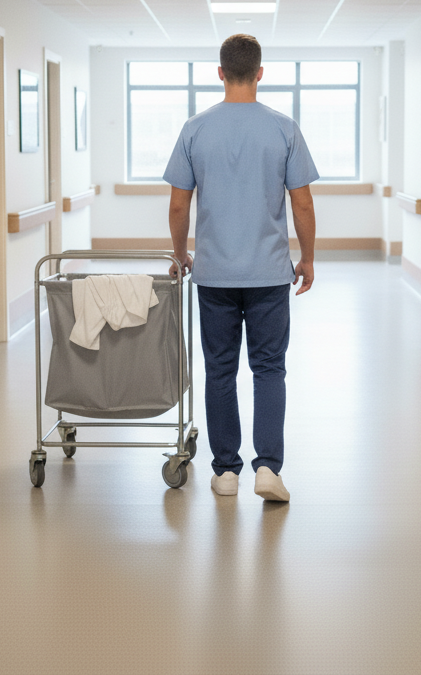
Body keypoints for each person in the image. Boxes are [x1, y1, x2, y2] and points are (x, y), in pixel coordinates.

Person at [162, 34, 318, 503]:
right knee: (270, 369)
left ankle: (226, 472)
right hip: (270, 275)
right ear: (261, 73)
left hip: (214, 276)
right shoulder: (284, 128)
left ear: (221, 73)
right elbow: (303, 205)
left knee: (220, 370)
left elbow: (177, 206)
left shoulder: (195, 129)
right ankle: (268, 468)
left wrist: (180, 253)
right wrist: (307, 258)